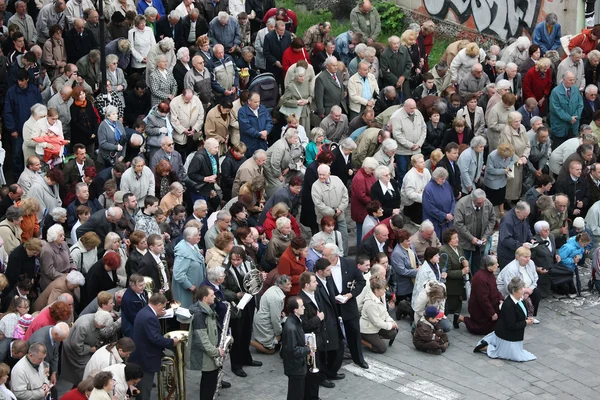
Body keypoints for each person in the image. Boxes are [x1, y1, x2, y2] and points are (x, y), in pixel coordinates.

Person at [128, 293, 178, 400]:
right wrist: (172, 342)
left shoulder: (146, 311)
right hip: (146, 359)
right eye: (163, 307)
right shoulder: (149, 317)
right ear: (159, 305)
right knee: (144, 392)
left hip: (142, 356)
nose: (163, 309)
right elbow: (155, 338)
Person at [222, 247, 262, 377]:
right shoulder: (226, 270)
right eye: (233, 259)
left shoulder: (249, 263)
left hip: (249, 302)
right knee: (237, 336)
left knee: (247, 333)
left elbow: (256, 276)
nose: (235, 262)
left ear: (243, 258)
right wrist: (235, 294)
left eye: (238, 259)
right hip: (236, 305)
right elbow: (222, 289)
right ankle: (236, 365)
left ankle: (247, 358)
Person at [474, 276, 536, 361]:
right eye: (521, 289)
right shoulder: (508, 305)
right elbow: (511, 325)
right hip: (507, 334)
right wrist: (526, 323)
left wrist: (527, 318)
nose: (523, 291)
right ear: (514, 291)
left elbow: (522, 313)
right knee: (515, 356)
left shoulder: (520, 300)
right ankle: (486, 347)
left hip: (516, 334)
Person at [187, 285, 224, 400]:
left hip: (211, 352)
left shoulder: (208, 309)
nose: (214, 297)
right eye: (211, 295)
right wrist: (216, 352)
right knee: (208, 385)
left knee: (209, 383)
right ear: (204, 298)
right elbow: (202, 340)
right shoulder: (199, 315)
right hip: (207, 355)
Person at [281, 295, 319, 400]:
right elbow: (293, 350)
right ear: (295, 310)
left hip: (297, 366)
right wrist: (308, 349)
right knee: (295, 395)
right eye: (301, 306)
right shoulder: (291, 327)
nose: (304, 308)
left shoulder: (295, 321)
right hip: (295, 367)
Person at [61, 310, 112, 385]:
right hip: (74, 350)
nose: (103, 328)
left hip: (84, 346)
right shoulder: (84, 326)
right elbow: (76, 345)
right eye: (102, 326)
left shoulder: (96, 317)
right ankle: (82, 384)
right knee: (87, 367)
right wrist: (90, 349)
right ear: (98, 324)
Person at [453, 189, 496, 274]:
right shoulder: (461, 204)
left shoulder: (487, 203)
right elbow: (458, 224)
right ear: (473, 199)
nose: (482, 205)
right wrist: (471, 238)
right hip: (465, 242)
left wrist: (486, 235)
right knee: (463, 264)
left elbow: (492, 220)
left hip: (481, 242)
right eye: (479, 203)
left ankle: (475, 282)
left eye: (483, 202)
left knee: (478, 265)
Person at [252, 274, 291, 354]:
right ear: (280, 285)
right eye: (288, 284)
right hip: (264, 322)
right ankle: (247, 341)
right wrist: (278, 334)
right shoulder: (276, 298)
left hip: (262, 319)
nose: (290, 286)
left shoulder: (273, 289)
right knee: (271, 350)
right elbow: (275, 319)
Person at [359, 276, 397, 353]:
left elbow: (385, 311)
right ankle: (361, 339)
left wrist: (391, 321)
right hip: (368, 329)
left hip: (377, 326)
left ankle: (376, 338)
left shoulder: (381, 296)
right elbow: (376, 322)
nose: (385, 290)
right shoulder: (370, 304)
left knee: (393, 332)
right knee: (381, 349)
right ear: (376, 290)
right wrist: (390, 325)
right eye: (383, 289)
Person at [391, 99, 426, 184]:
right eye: (411, 108)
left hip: (417, 150)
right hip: (403, 152)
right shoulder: (397, 117)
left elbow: (423, 129)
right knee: (402, 172)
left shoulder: (418, 113)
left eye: (414, 107)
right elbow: (397, 135)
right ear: (405, 107)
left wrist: (419, 144)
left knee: (418, 171)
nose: (413, 110)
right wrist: (410, 145)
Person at [549, 71, 584, 148]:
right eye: (570, 80)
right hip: (560, 128)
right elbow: (556, 109)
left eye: (573, 80)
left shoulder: (575, 89)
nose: (572, 82)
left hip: (573, 127)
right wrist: (569, 118)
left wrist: (576, 116)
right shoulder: (555, 92)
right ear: (564, 79)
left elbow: (580, 104)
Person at [172, 227, 205, 309]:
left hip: (197, 289)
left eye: (199, 235)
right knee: (186, 315)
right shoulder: (182, 252)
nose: (199, 237)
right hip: (188, 292)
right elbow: (178, 274)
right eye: (196, 235)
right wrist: (189, 286)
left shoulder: (194, 245)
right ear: (189, 238)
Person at [484, 143, 517, 219]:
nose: (506, 158)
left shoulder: (510, 153)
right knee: (490, 200)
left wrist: (509, 166)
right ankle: (490, 215)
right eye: (505, 157)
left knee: (501, 196)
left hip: (502, 179)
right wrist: (504, 171)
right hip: (492, 180)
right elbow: (490, 170)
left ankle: (502, 212)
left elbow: (513, 160)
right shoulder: (492, 156)